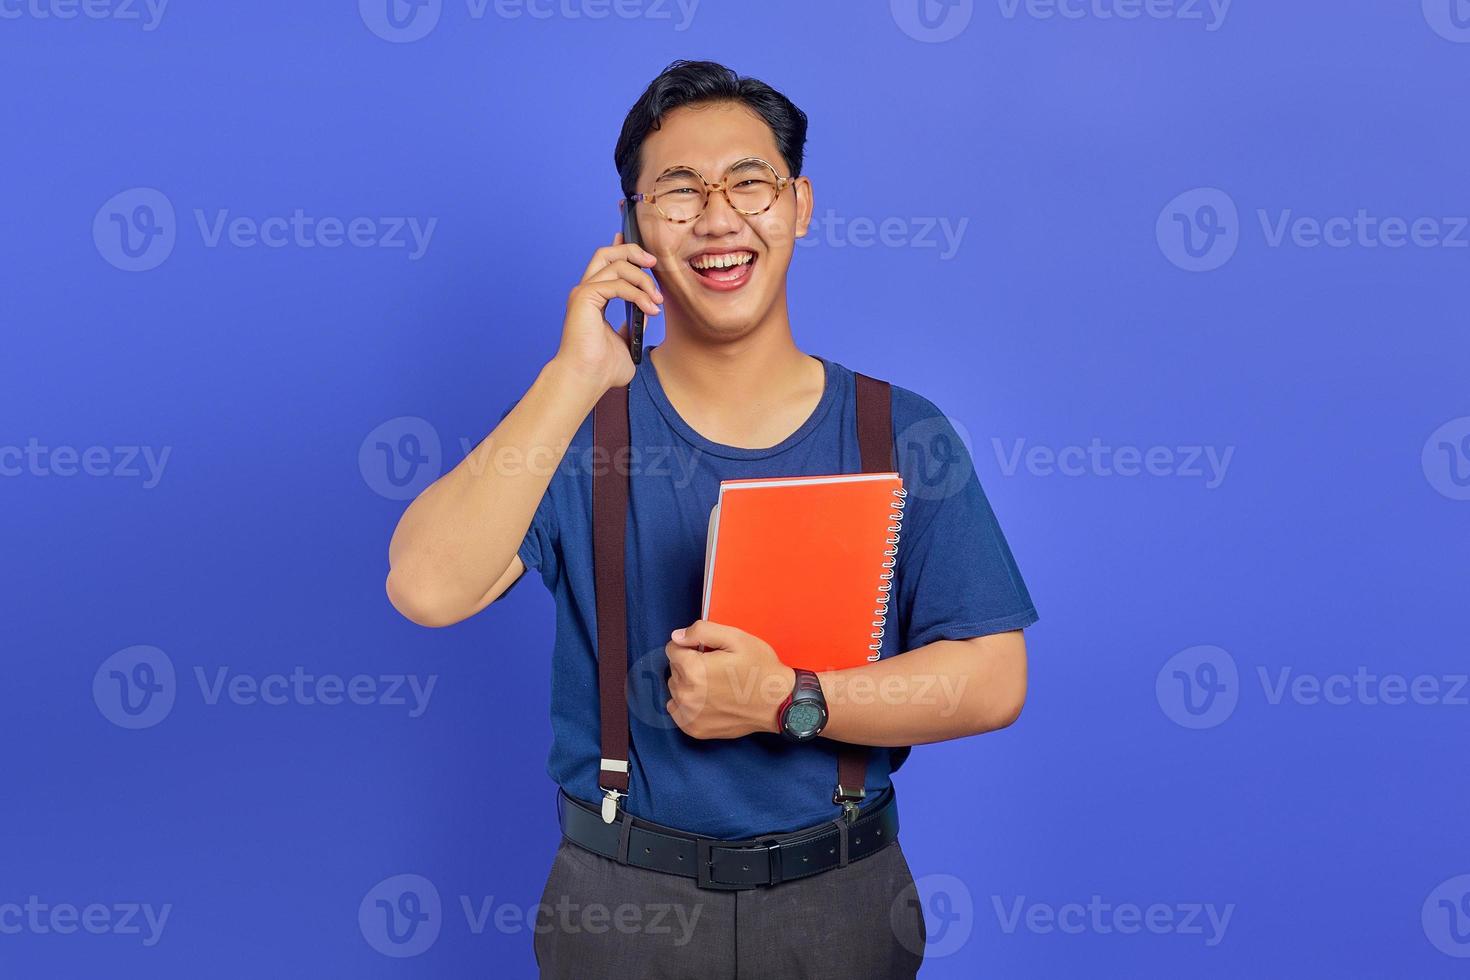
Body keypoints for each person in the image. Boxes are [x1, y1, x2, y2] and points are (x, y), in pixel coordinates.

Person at [385, 59, 1037, 979]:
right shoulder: (576, 431)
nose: (719, 218)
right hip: (619, 903)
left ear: (800, 205)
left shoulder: (902, 431)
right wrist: (574, 376)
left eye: (749, 183)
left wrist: (789, 699)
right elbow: (424, 587)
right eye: (679, 191)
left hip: (841, 896)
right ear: (633, 227)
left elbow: (993, 678)